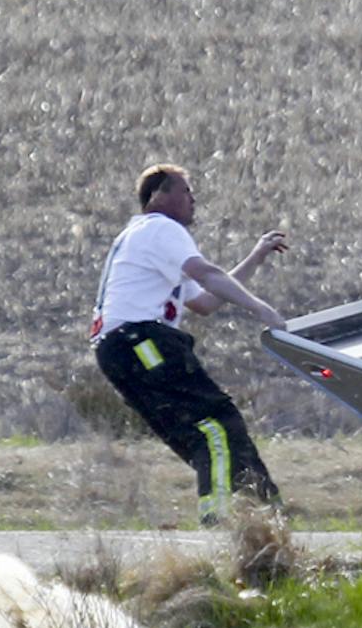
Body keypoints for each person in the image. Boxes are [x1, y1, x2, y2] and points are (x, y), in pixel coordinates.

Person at [90, 164, 290, 525]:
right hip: (141, 341)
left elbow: (206, 302)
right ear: (158, 197)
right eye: (186, 191)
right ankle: (222, 518)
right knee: (215, 422)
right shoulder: (161, 228)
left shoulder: (144, 240)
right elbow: (208, 273)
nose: (193, 200)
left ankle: (264, 516)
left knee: (207, 436)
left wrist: (256, 256)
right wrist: (262, 310)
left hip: (120, 350)